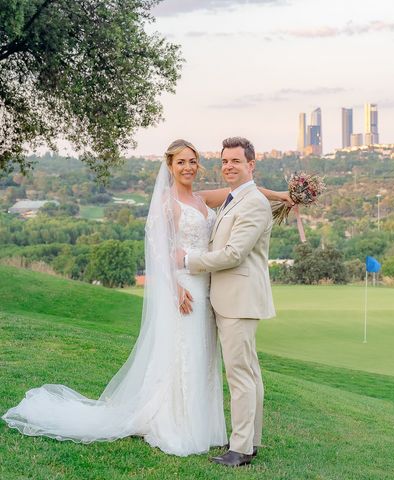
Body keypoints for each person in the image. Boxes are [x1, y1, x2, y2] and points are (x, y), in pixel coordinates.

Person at [2, 139, 290, 457]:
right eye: (181, 162)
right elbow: (159, 250)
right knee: (184, 354)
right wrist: (176, 286)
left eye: (193, 161)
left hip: (210, 289)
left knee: (203, 357)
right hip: (185, 287)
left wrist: (283, 196)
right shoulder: (167, 203)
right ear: (169, 166)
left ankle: (215, 430)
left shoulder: (201, 198)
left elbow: (247, 192)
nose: (188, 167)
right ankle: (175, 422)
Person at [179, 136, 275, 467]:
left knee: (240, 376)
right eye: (224, 161)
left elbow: (234, 254)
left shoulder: (254, 202)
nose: (229, 166)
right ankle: (250, 441)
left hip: (239, 300)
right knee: (249, 373)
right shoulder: (236, 198)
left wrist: (190, 260)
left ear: (251, 165)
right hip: (232, 298)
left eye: (236, 161)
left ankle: (241, 449)